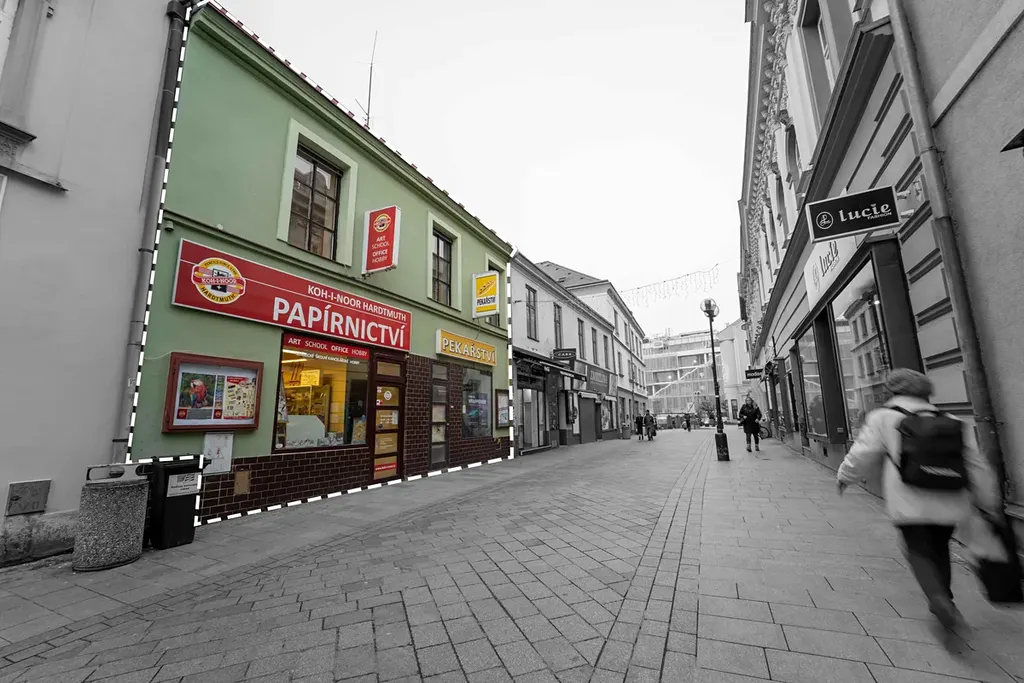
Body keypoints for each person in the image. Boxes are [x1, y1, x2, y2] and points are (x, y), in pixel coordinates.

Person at [836, 369, 1000, 641]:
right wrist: (989, 501)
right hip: (951, 499)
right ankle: (944, 595)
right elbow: (976, 464)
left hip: (910, 500)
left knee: (917, 549)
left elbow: (863, 451)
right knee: (939, 548)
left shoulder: (883, 417)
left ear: (893, 391)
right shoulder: (950, 419)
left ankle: (938, 599)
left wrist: (845, 475)